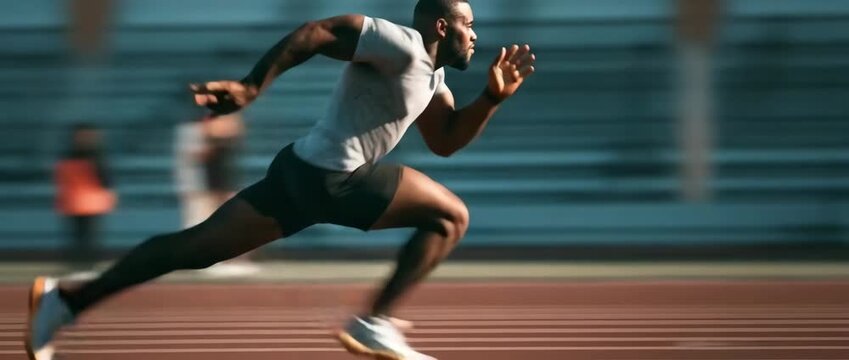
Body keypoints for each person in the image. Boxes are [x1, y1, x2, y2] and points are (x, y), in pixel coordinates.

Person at [25, 1, 535, 359]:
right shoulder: (400, 44)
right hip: (334, 178)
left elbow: (445, 140)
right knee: (451, 216)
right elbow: (318, 32)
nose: (477, 35)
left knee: (194, 247)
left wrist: (490, 100)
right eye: (470, 24)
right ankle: (374, 321)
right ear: (442, 27)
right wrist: (251, 87)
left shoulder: (433, 79)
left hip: (301, 175)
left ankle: (67, 301)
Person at [54, 123, 116, 268]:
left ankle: (80, 264)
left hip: (75, 202)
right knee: (87, 237)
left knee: (80, 237)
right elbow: (105, 179)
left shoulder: (67, 155)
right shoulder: (96, 156)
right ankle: (86, 264)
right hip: (89, 202)